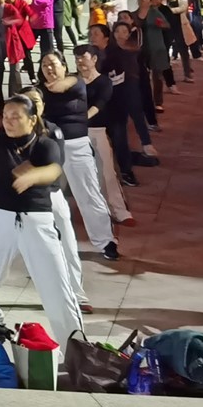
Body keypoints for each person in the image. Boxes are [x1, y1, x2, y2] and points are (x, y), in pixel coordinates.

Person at [0, 96, 83, 342]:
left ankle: (76, 348)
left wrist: (33, 176)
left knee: (57, 289)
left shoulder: (46, 144)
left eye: (15, 116)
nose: (8, 121)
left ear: (32, 119)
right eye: (5, 116)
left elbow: (53, 169)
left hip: (37, 221)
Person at [38, 52, 119, 262]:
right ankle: (45, 240)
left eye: (52, 63)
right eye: (44, 64)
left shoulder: (76, 83)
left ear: (64, 66)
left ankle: (106, 241)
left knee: (88, 194)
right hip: (50, 149)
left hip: (77, 146)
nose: (48, 68)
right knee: (44, 197)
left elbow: (63, 85)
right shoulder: (39, 90)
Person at [77, 45, 134, 227]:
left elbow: (99, 104)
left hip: (96, 131)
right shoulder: (72, 81)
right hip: (73, 134)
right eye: (77, 58)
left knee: (106, 172)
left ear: (94, 59)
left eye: (83, 57)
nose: (80, 61)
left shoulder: (104, 82)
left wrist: (81, 118)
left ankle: (119, 211)